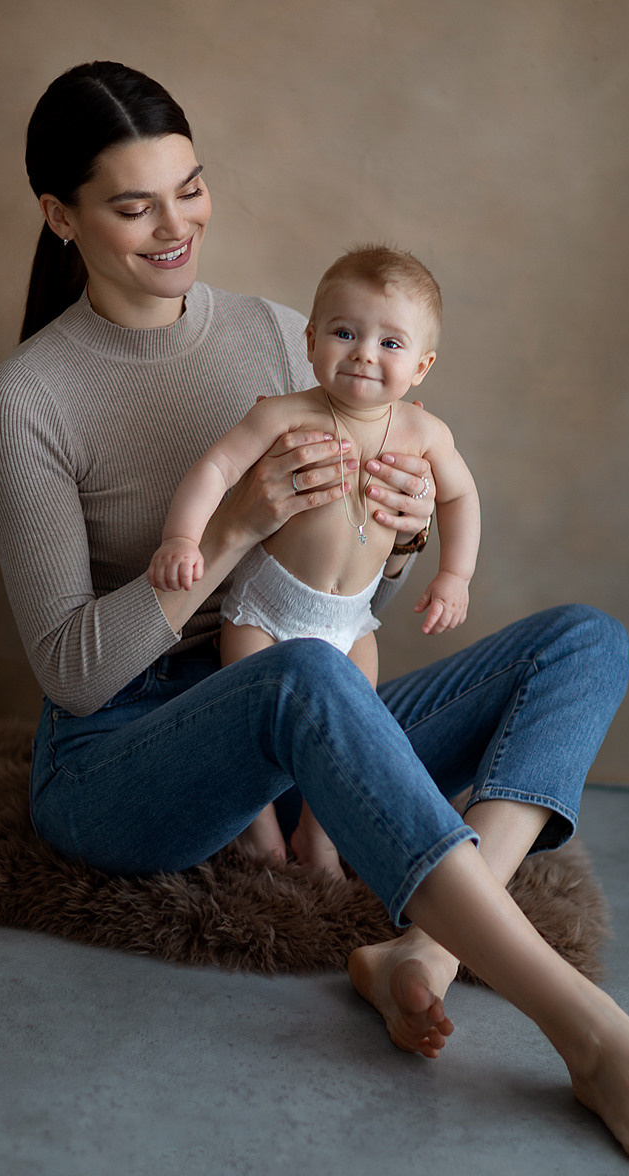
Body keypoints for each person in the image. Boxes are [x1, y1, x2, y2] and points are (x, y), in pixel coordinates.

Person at [0, 61, 629, 1176]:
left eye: (190, 189)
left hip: (300, 699)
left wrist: (397, 540)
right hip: (121, 758)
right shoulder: (27, 399)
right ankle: (590, 1033)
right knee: (302, 678)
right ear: (60, 217)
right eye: (134, 206)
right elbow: (73, 673)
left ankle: (427, 947)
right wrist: (233, 529)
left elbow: (342, 602)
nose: (177, 226)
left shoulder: (280, 334)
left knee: (584, 640)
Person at [148, 245, 480, 878]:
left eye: (390, 343)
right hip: (264, 616)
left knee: (351, 733)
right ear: (310, 340)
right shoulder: (283, 414)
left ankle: (318, 832)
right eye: (345, 333)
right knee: (246, 731)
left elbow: (460, 497)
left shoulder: (425, 435)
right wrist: (183, 539)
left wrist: (454, 574)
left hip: (350, 624)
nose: (363, 353)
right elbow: (216, 468)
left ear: (421, 366)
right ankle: (260, 833)